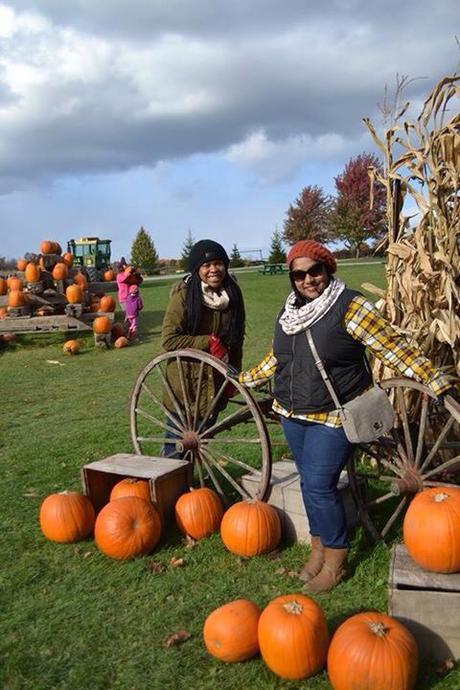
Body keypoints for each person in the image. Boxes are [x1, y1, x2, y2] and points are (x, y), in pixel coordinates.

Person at [238, 239, 455, 593]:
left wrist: (429, 376)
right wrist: (246, 379)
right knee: (309, 482)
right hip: (293, 413)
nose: (308, 280)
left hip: (336, 415)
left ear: (328, 269)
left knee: (321, 484)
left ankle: (336, 560)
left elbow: (391, 345)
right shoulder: (289, 311)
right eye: (299, 275)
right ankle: (318, 549)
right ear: (291, 278)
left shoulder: (349, 306)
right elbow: (278, 357)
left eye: (315, 271)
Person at [161, 239, 246, 456]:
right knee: (176, 449)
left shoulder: (233, 295)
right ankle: (172, 485)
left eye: (218, 263)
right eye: (206, 265)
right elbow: (169, 340)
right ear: (197, 269)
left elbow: (236, 341)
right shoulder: (182, 297)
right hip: (185, 384)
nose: (213, 269)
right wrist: (208, 341)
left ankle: (191, 485)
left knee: (201, 444)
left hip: (215, 383)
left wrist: (233, 377)